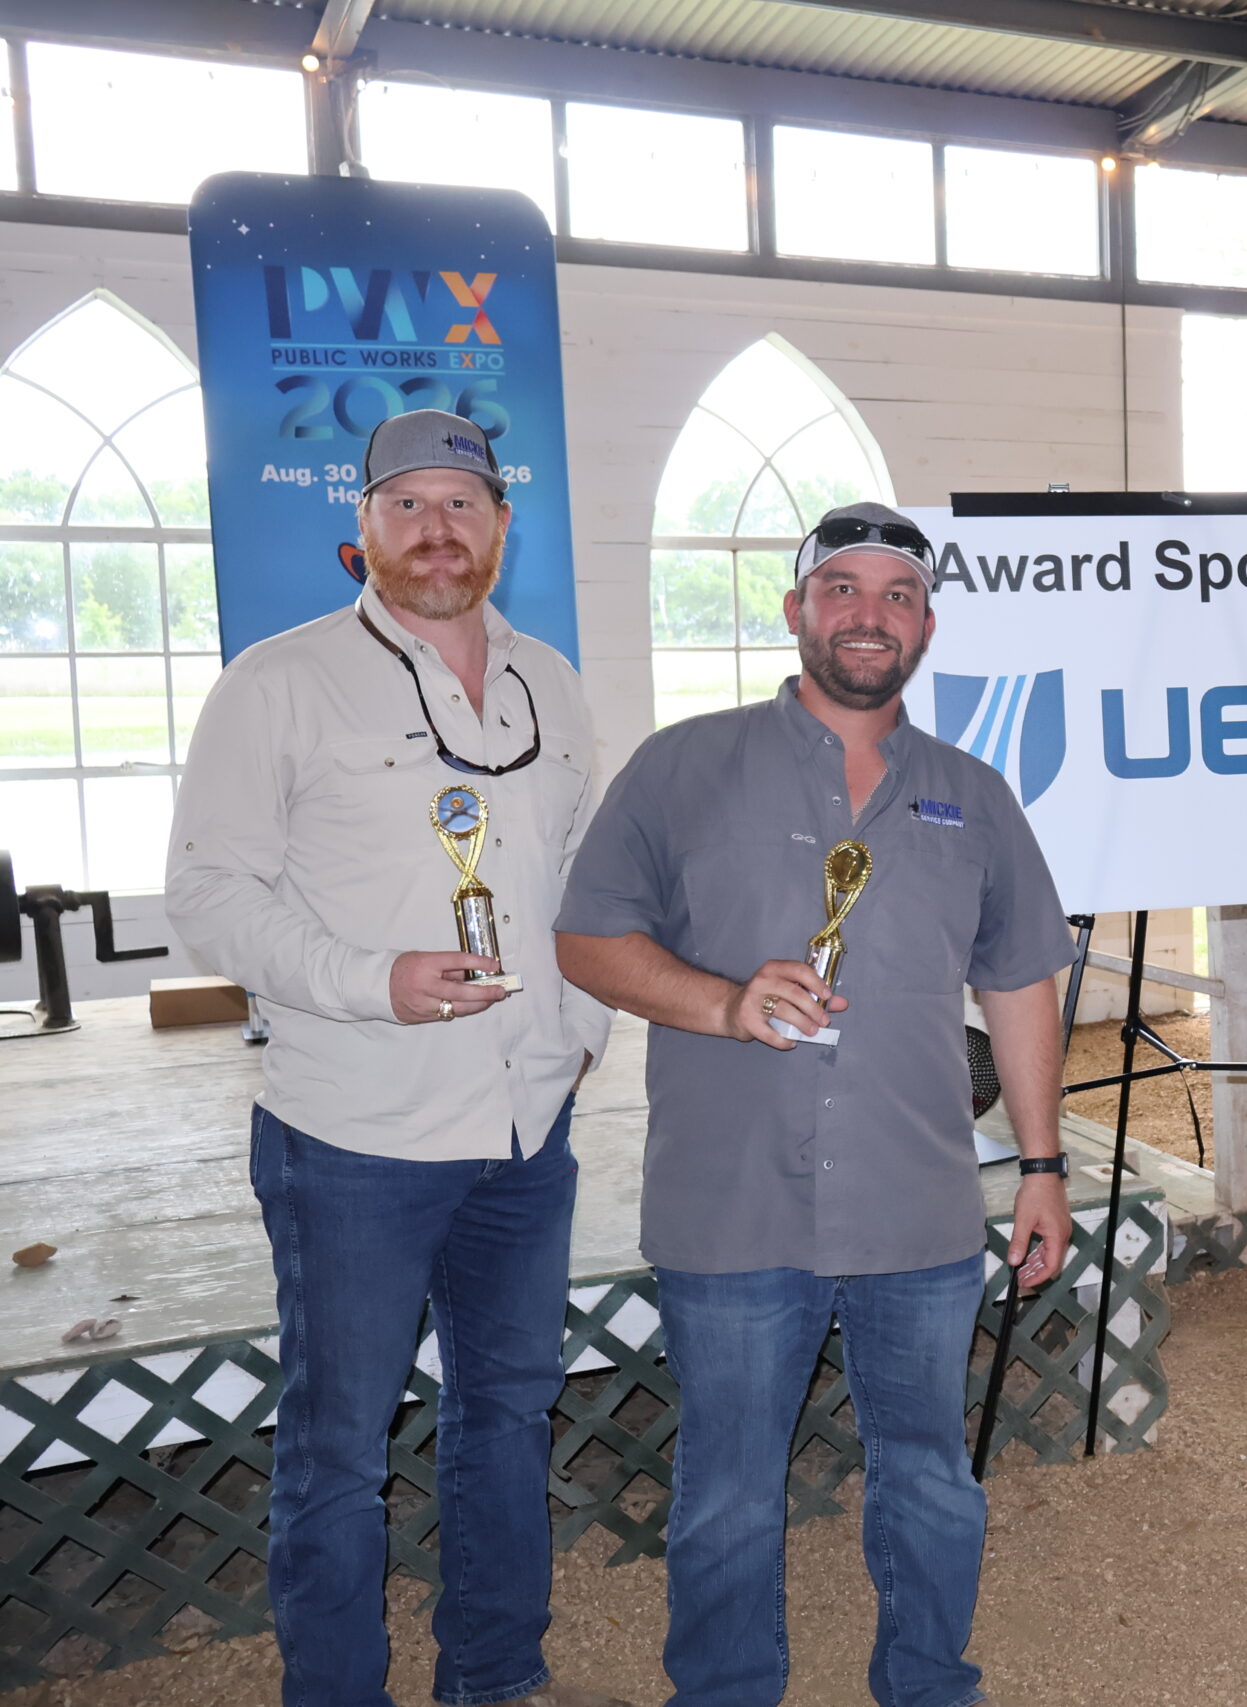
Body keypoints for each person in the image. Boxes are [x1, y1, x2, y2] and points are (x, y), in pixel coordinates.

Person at [554, 500, 1076, 1707]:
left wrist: (1043, 1167)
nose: (868, 615)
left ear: (926, 627)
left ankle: (928, 1685)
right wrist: (721, 1002)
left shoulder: (974, 794)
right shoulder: (682, 765)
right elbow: (586, 939)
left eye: (897, 595)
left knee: (930, 1479)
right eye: (842, 589)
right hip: (731, 1204)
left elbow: (1017, 983)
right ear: (796, 611)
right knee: (729, 1491)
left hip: (917, 1203)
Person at [166, 411, 622, 1707]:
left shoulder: (549, 682)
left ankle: (495, 1674)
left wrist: (579, 1032)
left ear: (501, 526)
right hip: (355, 1137)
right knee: (338, 1451)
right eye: (407, 504)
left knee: (508, 1413)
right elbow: (208, 894)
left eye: (461, 504)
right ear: (362, 525)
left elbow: (586, 875)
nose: (436, 530)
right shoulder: (279, 682)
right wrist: (370, 981)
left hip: (525, 1131)